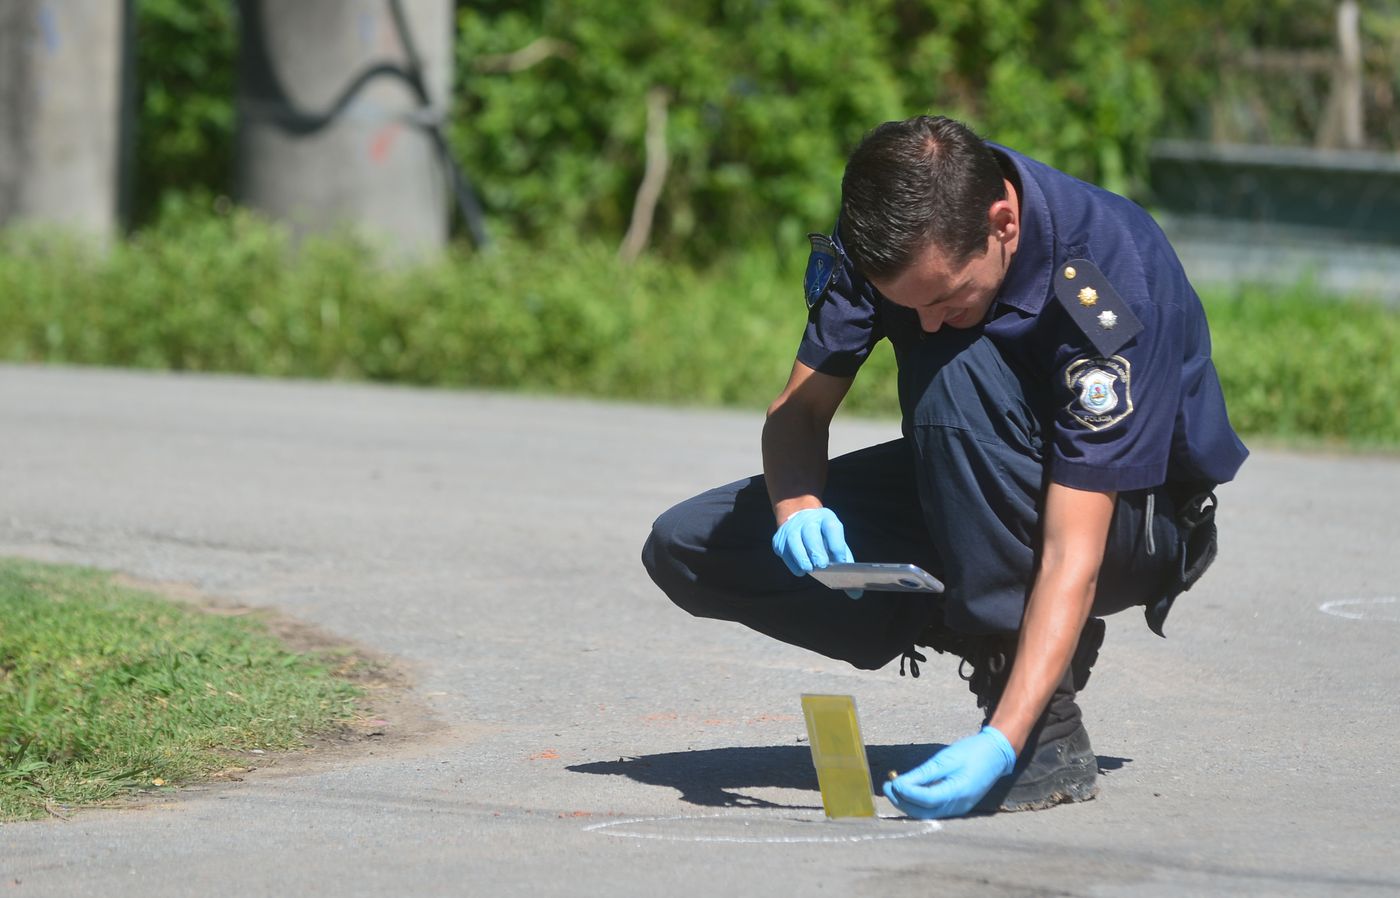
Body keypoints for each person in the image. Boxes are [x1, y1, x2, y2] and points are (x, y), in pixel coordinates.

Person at [642, 114, 1247, 819]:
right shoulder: (891, 234)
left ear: (1003, 224)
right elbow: (797, 415)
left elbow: (1072, 548)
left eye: (946, 298)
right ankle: (974, 614)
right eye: (910, 307)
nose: (924, 324)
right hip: (973, 478)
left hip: (1132, 521)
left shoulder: (1102, 277)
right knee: (690, 544)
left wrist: (1005, 738)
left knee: (953, 373)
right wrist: (796, 506)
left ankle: (1039, 716)